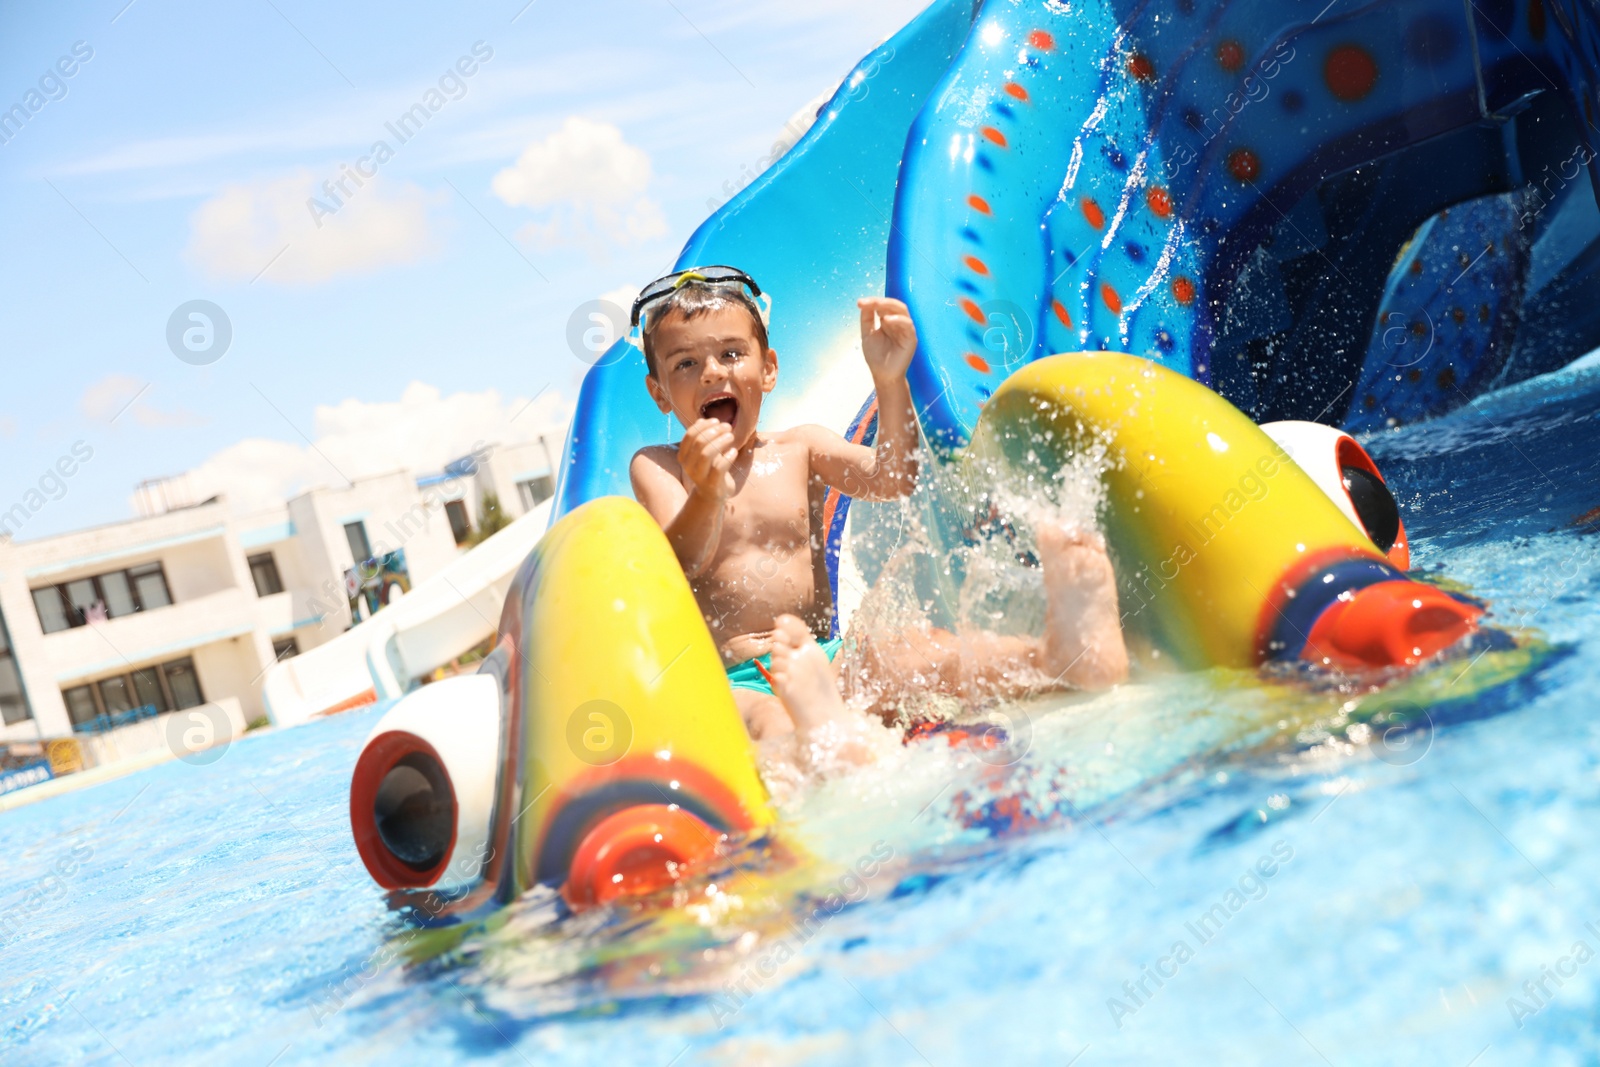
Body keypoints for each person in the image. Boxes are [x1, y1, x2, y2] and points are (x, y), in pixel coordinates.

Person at [628, 266, 1127, 776]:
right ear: (660, 393)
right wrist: (708, 493)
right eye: (685, 363)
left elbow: (894, 478)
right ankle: (820, 739)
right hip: (737, 682)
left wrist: (890, 382)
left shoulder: (801, 447)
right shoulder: (660, 466)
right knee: (764, 721)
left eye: (731, 354)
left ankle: (1061, 657)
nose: (712, 372)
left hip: (829, 659)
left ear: (769, 369)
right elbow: (681, 563)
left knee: (917, 654)